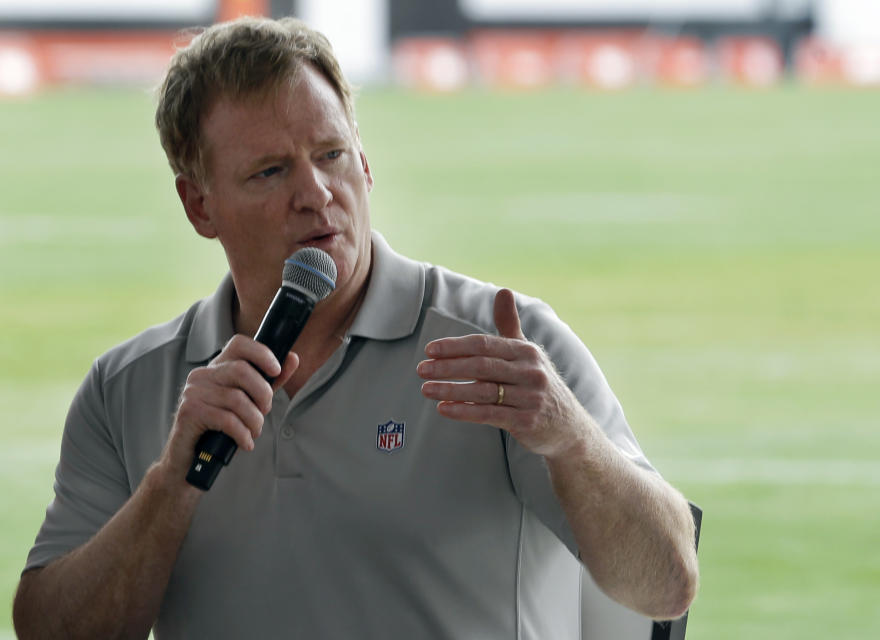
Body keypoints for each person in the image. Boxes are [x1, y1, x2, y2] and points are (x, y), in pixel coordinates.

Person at [13, 16, 698, 639]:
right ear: (199, 205)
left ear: (365, 164)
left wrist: (571, 439)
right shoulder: (129, 387)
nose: (315, 191)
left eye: (332, 154)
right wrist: (170, 484)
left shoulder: (506, 346)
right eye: (271, 171)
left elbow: (667, 586)